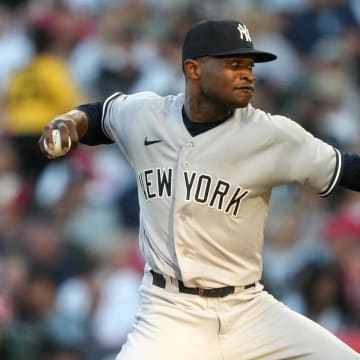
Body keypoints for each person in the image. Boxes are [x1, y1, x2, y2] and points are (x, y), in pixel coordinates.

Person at [38, 19, 360, 360]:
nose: (248, 74)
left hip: (249, 310)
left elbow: (348, 168)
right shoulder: (146, 115)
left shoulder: (272, 135)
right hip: (170, 312)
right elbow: (98, 116)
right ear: (193, 69)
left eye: (249, 66)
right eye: (234, 65)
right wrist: (67, 122)